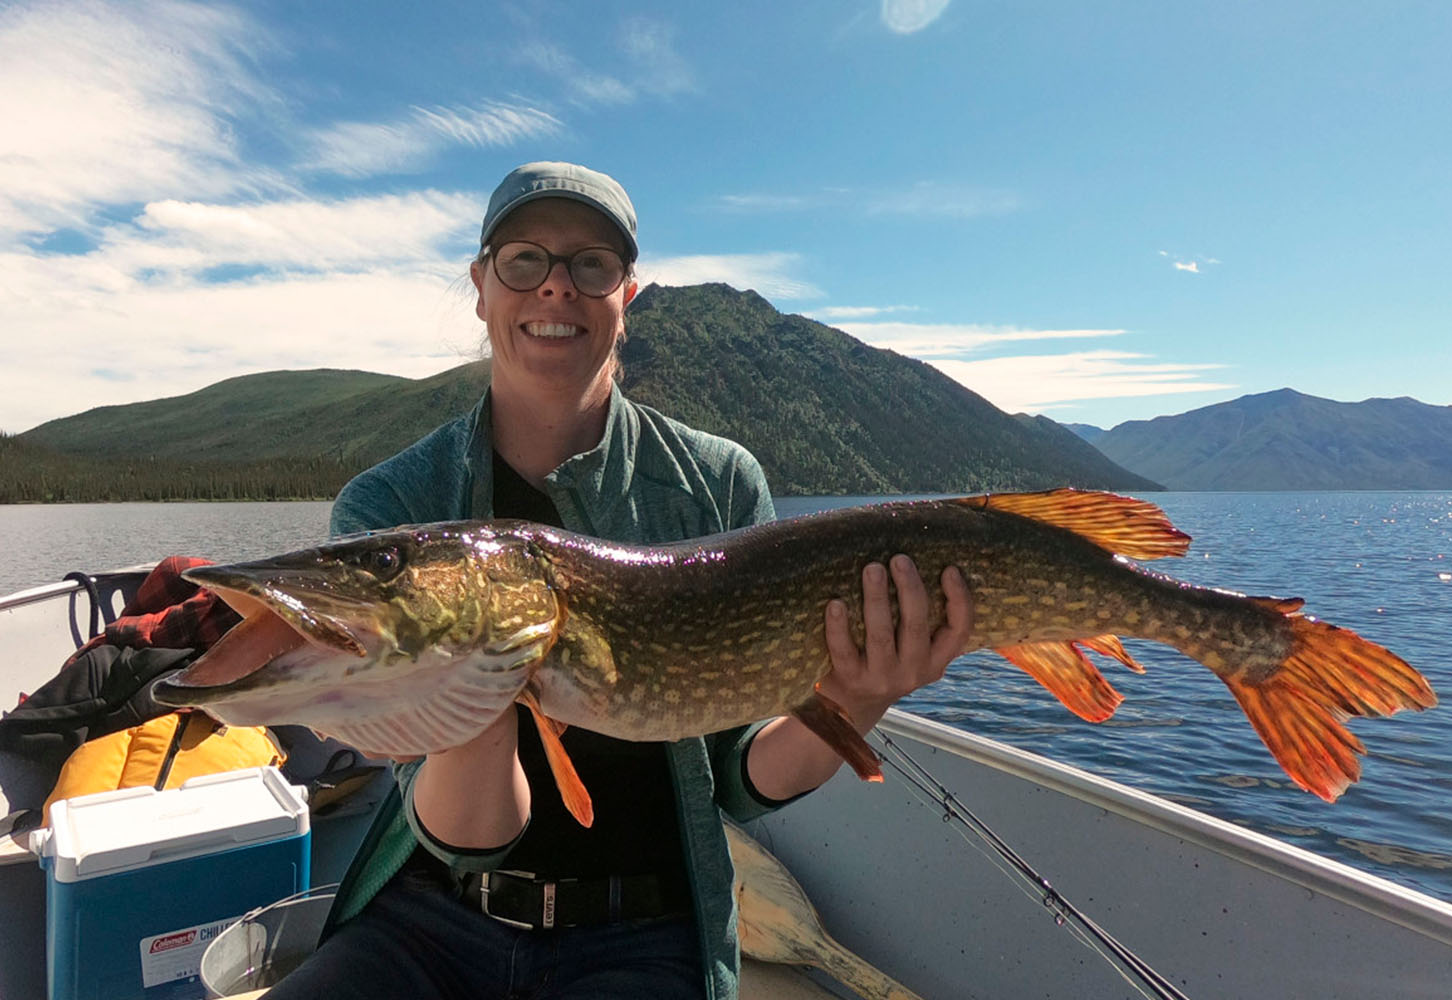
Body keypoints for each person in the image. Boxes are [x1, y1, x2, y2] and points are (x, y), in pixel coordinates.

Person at [267, 161, 974, 1000]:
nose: (556, 288)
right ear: (481, 287)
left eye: (591, 265)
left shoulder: (718, 484)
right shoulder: (394, 510)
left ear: (627, 297)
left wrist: (857, 699)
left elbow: (744, 780)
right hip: (431, 917)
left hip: (647, 934)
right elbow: (467, 835)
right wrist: (478, 682)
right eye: (524, 261)